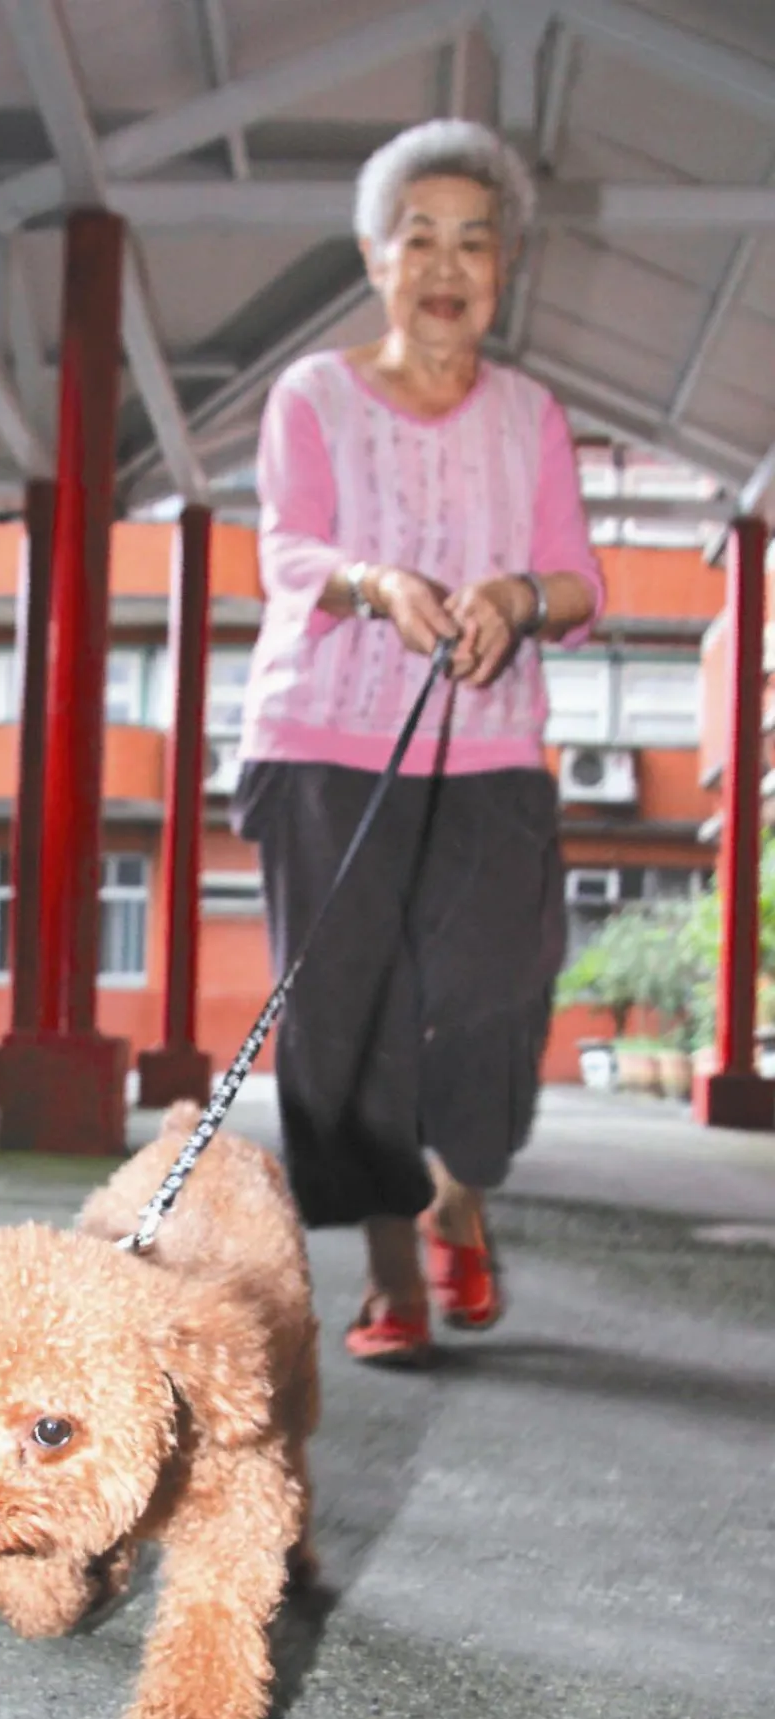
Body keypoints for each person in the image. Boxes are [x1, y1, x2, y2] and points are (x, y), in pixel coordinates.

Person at [233, 119, 604, 1366]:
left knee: (499, 994)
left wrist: (515, 598)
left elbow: (580, 580)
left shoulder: (533, 414)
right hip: (327, 743)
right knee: (345, 1016)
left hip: (493, 754)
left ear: (505, 269)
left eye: (476, 242)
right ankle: (393, 1269)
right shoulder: (314, 396)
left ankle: (461, 1198)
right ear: (373, 256)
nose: (448, 266)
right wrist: (374, 583)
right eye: (420, 237)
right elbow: (287, 550)